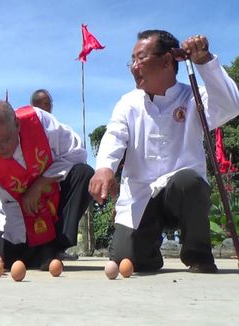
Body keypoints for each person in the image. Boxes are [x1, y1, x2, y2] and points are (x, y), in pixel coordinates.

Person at [89, 30, 239, 273]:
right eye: (132, 60)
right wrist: (104, 167)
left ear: (167, 61)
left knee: (189, 180)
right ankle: (147, 253)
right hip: (140, 199)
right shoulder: (128, 103)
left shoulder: (193, 96)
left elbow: (231, 106)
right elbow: (114, 135)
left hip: (180, 194)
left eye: (141, 58)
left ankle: (198, 255)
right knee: (128, 259)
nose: (134, 67)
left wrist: (205, 63)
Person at [0, 99, 93, 271]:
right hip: (15, 226)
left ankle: (55, 248)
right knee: (7, 262)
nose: (0, 148)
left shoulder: (39, 122)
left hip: (51, 208)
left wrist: (40, 183)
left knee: (83, 173)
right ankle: (35, 253)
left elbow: (77, 153)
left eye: (5, 140)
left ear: (17, 124)